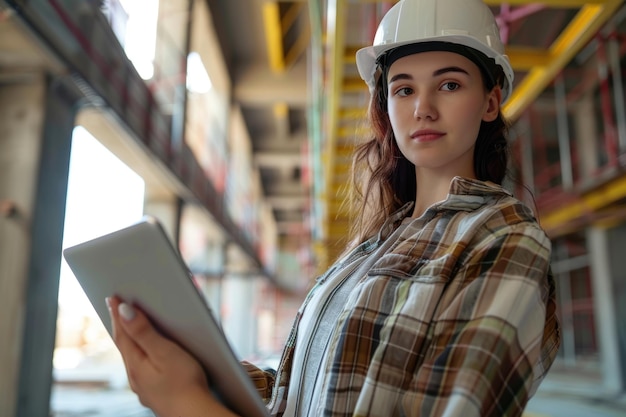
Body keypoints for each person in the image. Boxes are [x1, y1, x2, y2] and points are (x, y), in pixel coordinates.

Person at [108, 0, 561, 416]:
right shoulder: (371, 248)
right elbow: (302, 393)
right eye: (403, 90)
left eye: (449, 84)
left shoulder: (504, 237)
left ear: (489, 101)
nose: (423, 108)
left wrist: (184, 404)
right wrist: (207, 373)